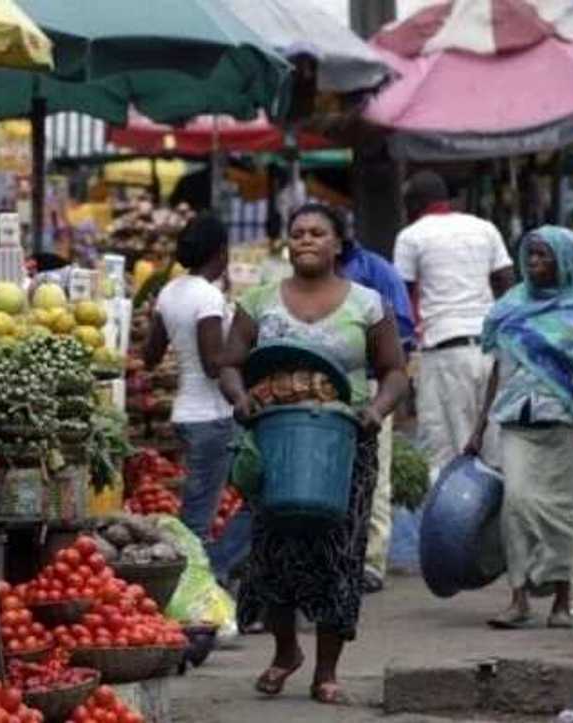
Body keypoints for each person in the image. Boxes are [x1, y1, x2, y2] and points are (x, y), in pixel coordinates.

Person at [220, 203, 410, 705]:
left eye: (317, 233)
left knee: (339, 552)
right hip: (276, 442)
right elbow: (230, 363)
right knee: (271, 552)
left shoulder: (368, 304)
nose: (306, 240)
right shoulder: (258, 301)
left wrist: (377, 409)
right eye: (298, 233)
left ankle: (326, 670)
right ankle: (286, 650)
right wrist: (239, 398)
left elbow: (394, 370)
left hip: (345, 445)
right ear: (288, 243)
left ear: (337, 244)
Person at [465, 226, 573, 629]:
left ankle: (560, 601)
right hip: (516, 420)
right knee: (517, 503)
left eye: (544, 256)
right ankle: (518, 597)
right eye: (531, 255)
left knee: (559, 511)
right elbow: (498, 368)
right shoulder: (511, 305)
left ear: (565, 261)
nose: (535, 263)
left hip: (565, 422)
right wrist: (478, 428)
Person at [395, 170, 515, 471]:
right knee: (494, 450)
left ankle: (455, 518)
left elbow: (402, 299)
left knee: (445, 454)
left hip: (444, 353)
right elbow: (507, 283)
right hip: (491, 353)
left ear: (413, 204)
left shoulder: (411, 237)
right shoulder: (484, 228)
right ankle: (495, 518)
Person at [331, 204, 416, 594]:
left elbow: (402, 329)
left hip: (370, 384)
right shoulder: (308, 278)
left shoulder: (376, 269)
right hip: (321, 388)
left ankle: (371, 562)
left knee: (374, 475)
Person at [144, 213, 234, 541]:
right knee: (199, 516)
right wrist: (245, 347)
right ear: (222, 252)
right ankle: (193, 581)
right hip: (211, 416)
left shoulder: (169, 291)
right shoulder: (208, 296)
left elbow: (150, 356)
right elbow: (213, 364)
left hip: (183, 413)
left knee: (196, 504)